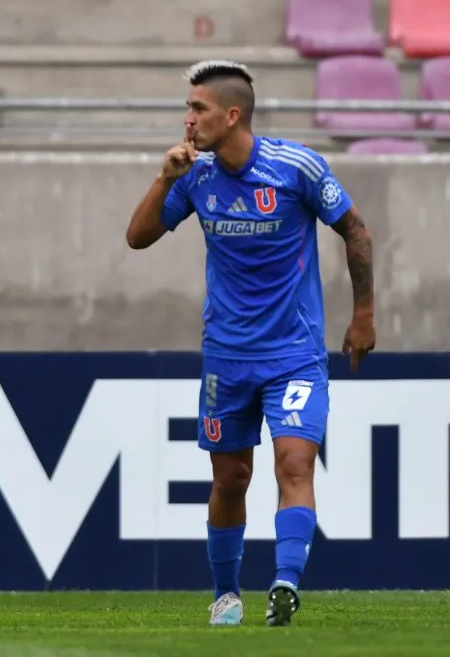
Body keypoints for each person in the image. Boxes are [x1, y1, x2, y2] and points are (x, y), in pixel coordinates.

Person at [125, 60, 376, 627]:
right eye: (188, 108)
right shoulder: (194, 176)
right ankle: (226, 595)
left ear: (231, 114)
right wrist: (165, 177)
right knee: (230, 477)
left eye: (198, 108)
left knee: (294, 464)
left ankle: (285, 583)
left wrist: (363, 313)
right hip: (227, 356)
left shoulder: (296, 167)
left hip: (294, 353)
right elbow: (137, 238)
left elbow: (355, 229)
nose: (188, 119)